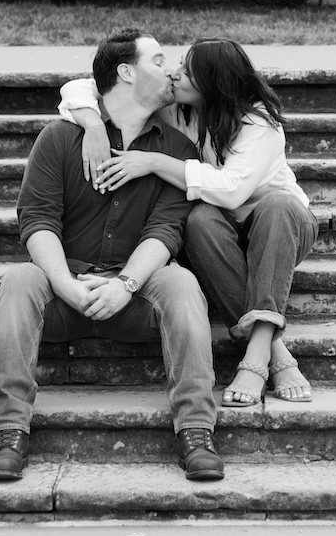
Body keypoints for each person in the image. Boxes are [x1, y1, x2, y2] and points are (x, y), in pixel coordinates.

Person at [0, 28, 223, 483]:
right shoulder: (58, 139)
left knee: (181, 283)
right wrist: (65, 285)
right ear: (126, 72)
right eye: (158, 60)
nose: (171, 70)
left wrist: (125, 285)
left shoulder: (178, 151)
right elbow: (37, 222)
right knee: (18, 280)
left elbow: (166, 231)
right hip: (61, 292)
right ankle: (10, 431)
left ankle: (195, 428)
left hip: (135, 296)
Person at [59, 37, 317, 408]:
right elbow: (82, 87)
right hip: (219, 238)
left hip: (282, 229)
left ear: (213, 83)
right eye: (175, 64)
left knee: (276, 205)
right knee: (198, 218)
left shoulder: (259, 123)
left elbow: (232, 191)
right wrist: (94, 127)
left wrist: (154, 162)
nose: (175, 74)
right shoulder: (181, 111)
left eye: (187, 70)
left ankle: (259, 353)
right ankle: (277, 349)